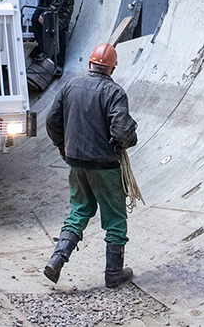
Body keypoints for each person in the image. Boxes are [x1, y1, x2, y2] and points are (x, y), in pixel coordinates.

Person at [42, 42, 138, 289]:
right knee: (115, 218)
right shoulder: (114, 93)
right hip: (104, 165)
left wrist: (62, 146)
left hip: (75, 162)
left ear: (90, 64)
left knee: (79, 210)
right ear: (112, 69)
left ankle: (57, 259)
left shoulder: (70, 86)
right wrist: (128, 139)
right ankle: (113, 273)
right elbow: (122, 130)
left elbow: (52, 120)